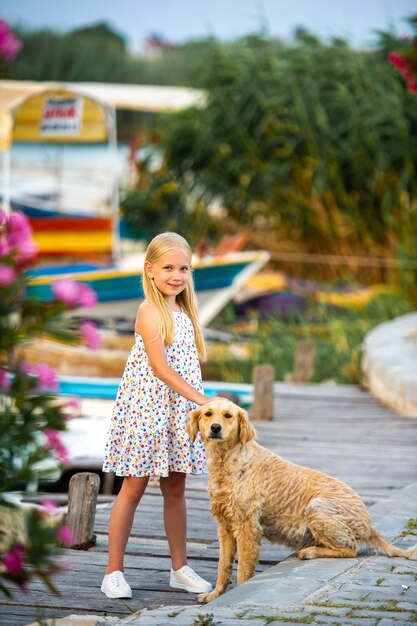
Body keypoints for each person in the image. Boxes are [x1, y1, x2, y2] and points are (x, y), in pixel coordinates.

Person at [101, 232, 220, 599]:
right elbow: (160, 368)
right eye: (168, 267)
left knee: (176, 489)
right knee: (132, 488)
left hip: (178, 414)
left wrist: (193, 405)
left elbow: (185, 365)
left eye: (183, 268)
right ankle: (113, 572)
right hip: (146, 411)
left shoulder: (184, 312)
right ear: (149, 269)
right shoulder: (149, 311)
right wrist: (203, 400)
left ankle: (179, 568)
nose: (176, 275)